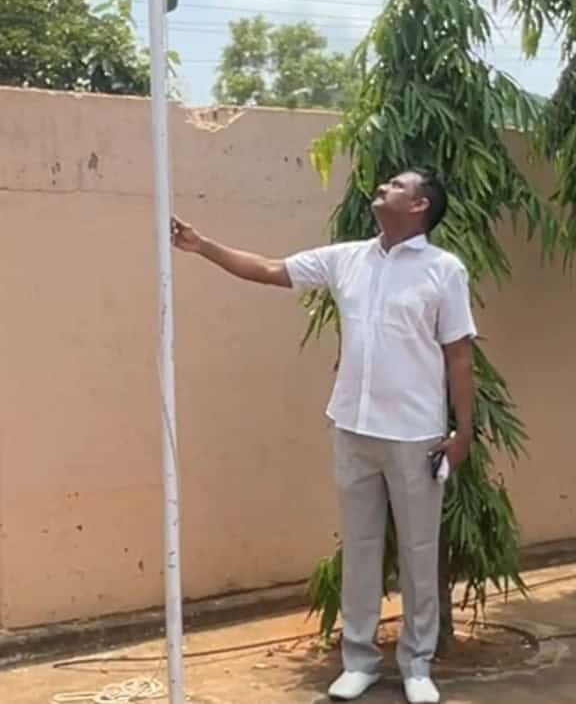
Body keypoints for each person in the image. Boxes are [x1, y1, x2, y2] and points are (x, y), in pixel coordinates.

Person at [171, 167, 476, 704]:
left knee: (418, 549)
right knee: (359, 548)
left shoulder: (443, 270)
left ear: (420, 204)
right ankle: (358, 659)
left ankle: (417, 665)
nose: (382, 187)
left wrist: (463, 434)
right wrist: (203, 247)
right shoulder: (347, 259)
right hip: (352, 427)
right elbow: (269, 269)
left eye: (396, 185)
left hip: (416, 434)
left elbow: (459, 354)